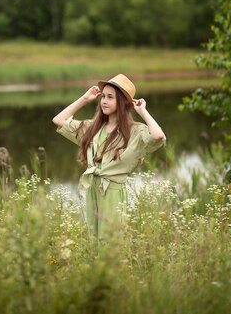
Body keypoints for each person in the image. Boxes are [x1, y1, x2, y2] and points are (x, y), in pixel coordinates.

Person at [52, 74, 166, 240]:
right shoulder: (92, 128)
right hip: (93, 188)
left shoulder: (135, 131)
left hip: (113, 191)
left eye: (110, 97)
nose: (104, 101)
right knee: (93, 239)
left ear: (122, 102)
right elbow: (59, 120)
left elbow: (158, 136)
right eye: (103, 96)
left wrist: (143, 111)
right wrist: (84, 99)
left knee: (112, 243)